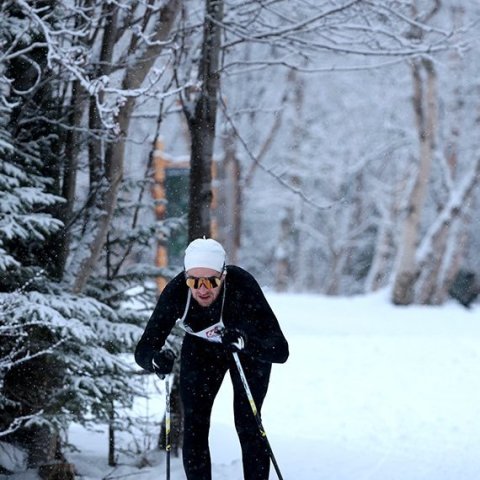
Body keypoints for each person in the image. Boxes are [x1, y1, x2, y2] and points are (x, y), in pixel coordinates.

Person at [135, 238, 289, 480]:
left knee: (248, 422)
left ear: (224, 276)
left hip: (245, 351)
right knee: (195, 426)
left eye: (211, 281)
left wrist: (246, 343)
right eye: (194, 281)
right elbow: (143, 349)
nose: (203, 289)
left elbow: (280, 350)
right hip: (201, 351)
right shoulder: (176, 292)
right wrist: (155, 360)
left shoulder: (243, 286)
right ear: (186, 277)